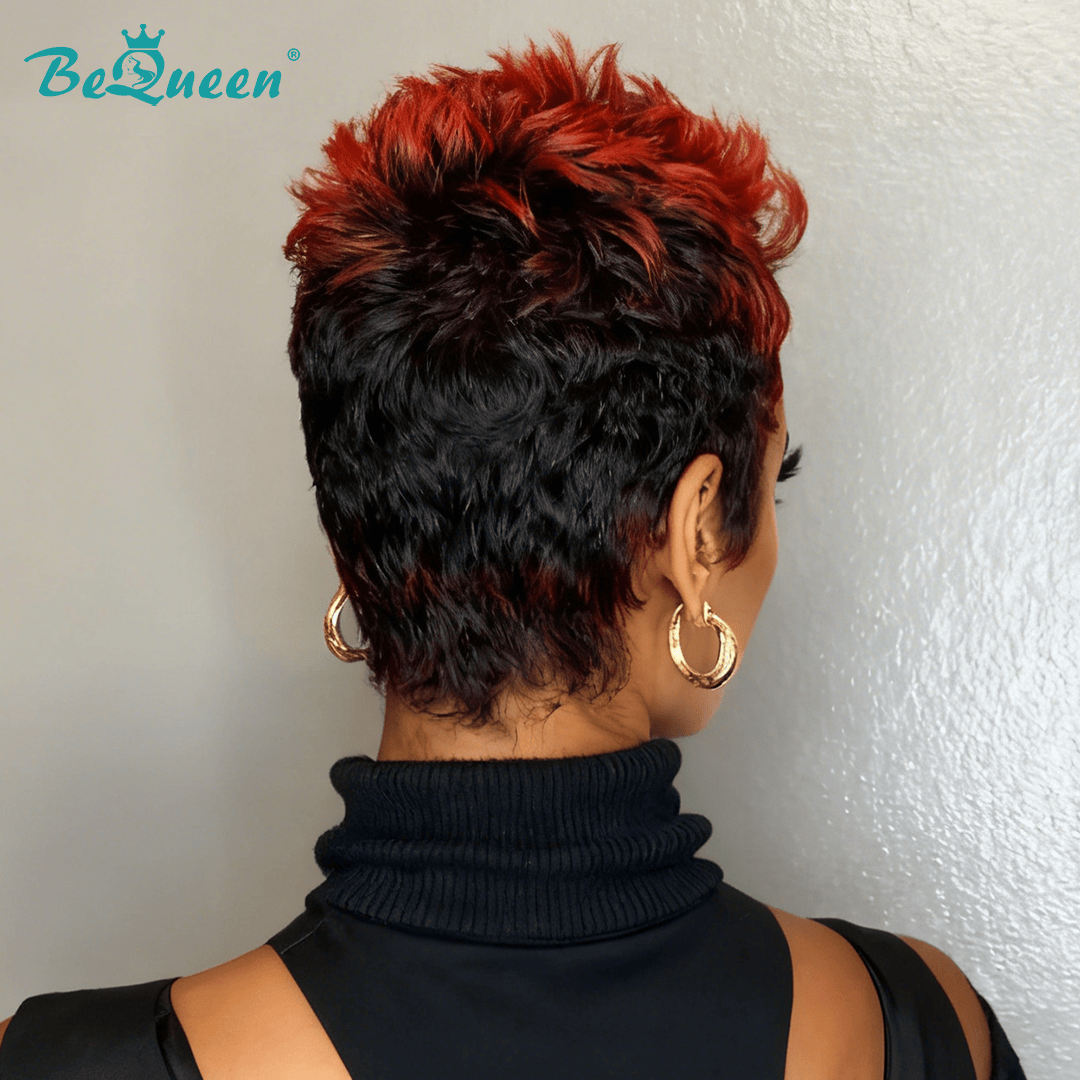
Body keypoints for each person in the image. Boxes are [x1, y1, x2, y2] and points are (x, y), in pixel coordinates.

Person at [0, 35, 1026, 1080]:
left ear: (355, 526)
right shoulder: (924, 1027)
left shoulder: (52, 1064)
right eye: (776, 482)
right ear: (693, 533)